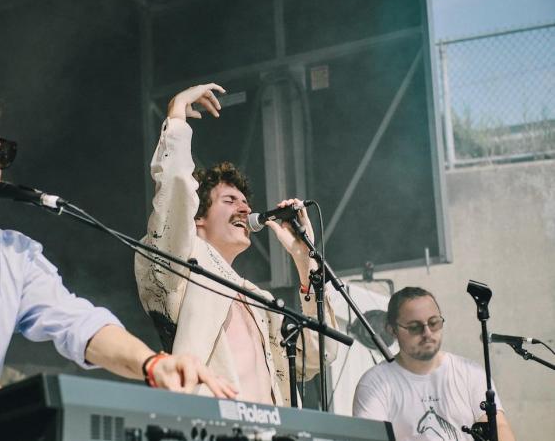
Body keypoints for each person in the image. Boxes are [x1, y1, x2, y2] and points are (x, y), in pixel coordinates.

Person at [0, 86, 236, 415]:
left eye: (0, 155)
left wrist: (152, 364)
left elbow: (76, 323)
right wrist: (31, 410)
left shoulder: (13, 254)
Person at [134, 83, 339, 407]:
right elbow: (174, 193)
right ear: (197, 218)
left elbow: (317, 356)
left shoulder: (257, 299)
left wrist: (304, 259)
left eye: (245, 202)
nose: (245, 209)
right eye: (230, 201)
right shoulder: (181, 264)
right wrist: (176, 114)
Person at [352, 287, 516, 441]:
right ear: (392, 330)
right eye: (415, 327)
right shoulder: (374, 383)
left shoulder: (470, 372)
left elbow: (499, 427)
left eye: (434, 323)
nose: (427, 333)